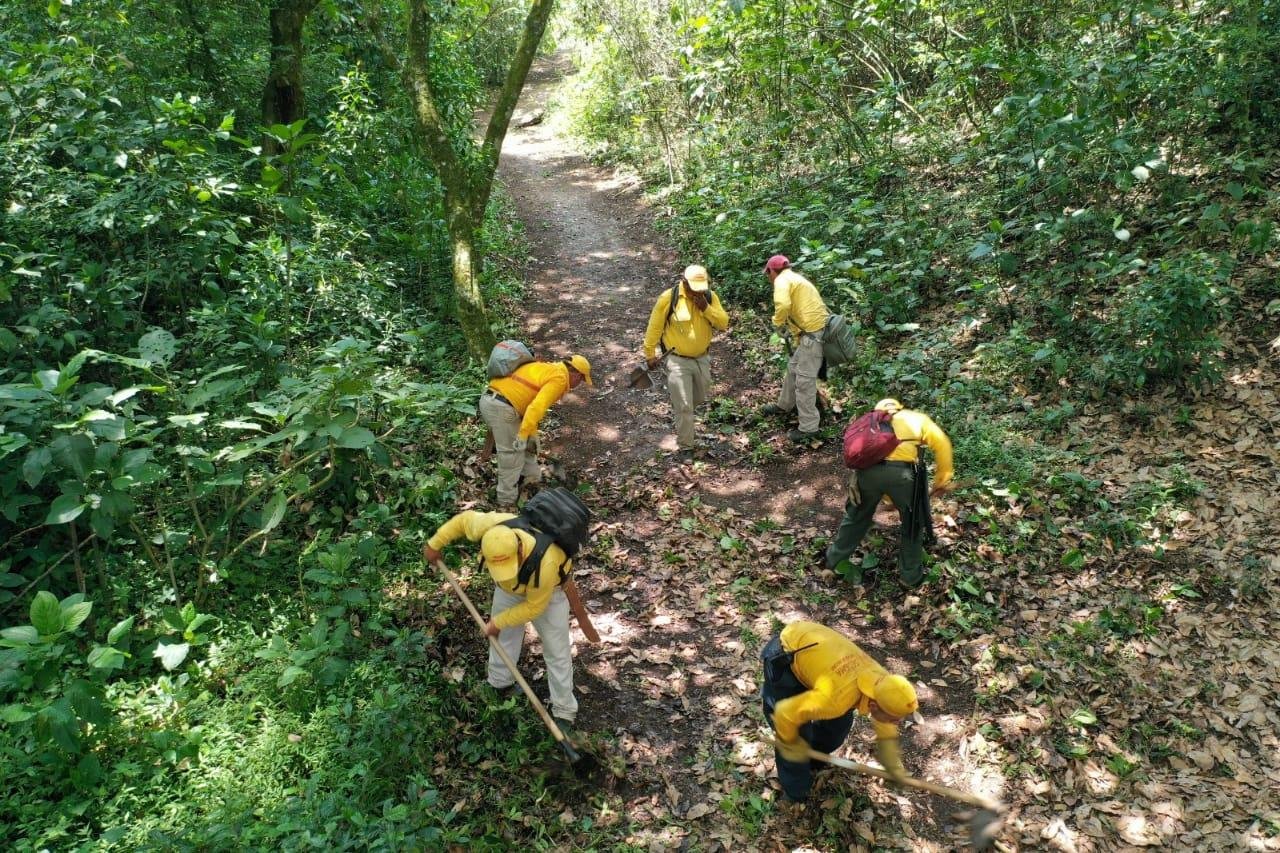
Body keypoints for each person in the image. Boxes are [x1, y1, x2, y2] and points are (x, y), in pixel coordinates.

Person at [423, 509, 579, 730]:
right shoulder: (488, 526)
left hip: (546, 594)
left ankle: (564, 711)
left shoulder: (547, 561)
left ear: (518, 548)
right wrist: (434, 544)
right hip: (508, 589)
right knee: (503, 636)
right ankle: (500, 682)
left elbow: (534, 607)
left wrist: (498, 621)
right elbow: (462, 521)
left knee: (557, 650)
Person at [762, 620, 919, 803]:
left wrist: (893, 768)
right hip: (787, 653)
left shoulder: (885, 685)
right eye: (894, 719)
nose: (895, 724)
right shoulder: (836, 699)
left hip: (823, 665)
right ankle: (795, 794)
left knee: (837, 728)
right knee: (796, 737)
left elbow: (885, 725)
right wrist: (793, 746)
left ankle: (813, 760)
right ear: (875, 706)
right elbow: (785, 714)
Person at [826, 398, 953, 587]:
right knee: (912, 523)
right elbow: (942, 444)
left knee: (856, 518)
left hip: (867, 475)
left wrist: (857, 478)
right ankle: (910, 577)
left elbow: (858, 452)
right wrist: (942, 480)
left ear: (877, 410)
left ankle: (833, 563)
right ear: (899, 407)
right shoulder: (916, 419)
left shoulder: (868, 422)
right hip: (903, 476)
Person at [481, 353, 592, 507]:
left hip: (494, 402)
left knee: (529, 449)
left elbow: (529, 406)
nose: (579, 384)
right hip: (502, 408)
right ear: (576, 374)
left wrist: (531, 437)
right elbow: (536, 407)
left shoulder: (548, 368)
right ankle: (506, 502)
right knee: (511, 456)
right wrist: (522, 436)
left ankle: (532, 481)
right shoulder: (559, 378)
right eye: (582, 379)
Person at [642, 264, 730, 455]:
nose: (697, 292)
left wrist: (706, 308)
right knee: (684, 405)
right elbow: (654, 328)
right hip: (677, 360)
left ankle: (684, 419)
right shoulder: (669, 298)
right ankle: (686, 447)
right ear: (684, 282)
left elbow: (723, 323)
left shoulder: (709, 297)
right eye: (693, 288)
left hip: (702, 359)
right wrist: (650, 354)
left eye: (701, 288)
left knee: (698, 397)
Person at [762, 255, 829, 443]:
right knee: (793, 368)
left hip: (813, 335)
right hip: (812, 333)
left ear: (771, 271)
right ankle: (784, 405)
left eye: (768, 274)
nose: (769, 278)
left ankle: (809, 428)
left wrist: (777, 322)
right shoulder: (796, 278)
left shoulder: (782, 280)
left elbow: (783, 305)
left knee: (804, 381)